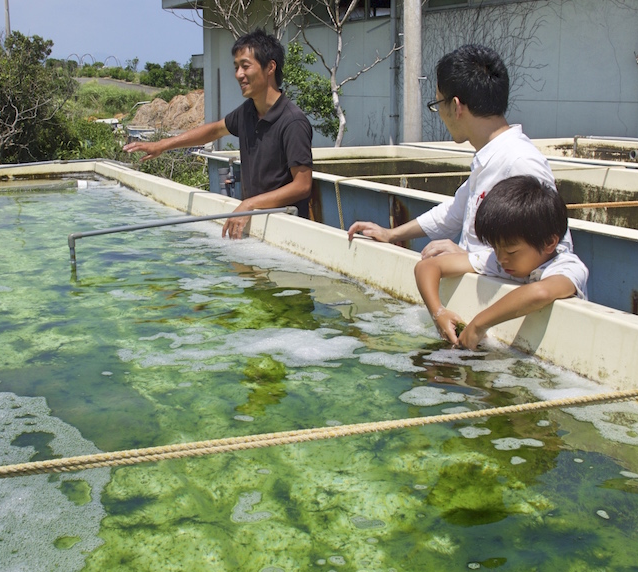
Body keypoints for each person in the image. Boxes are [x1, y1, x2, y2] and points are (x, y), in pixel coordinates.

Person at [347, 44, 570, 259]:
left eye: (438, 104)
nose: (439, 113)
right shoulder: (489, 157)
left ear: (456, 106)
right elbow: (454, 212)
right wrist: (391, 234)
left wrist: (470, 258)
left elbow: (556, 248)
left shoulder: (519, 161)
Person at [123, 29, 312, 239]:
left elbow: (302, 186)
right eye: (236, 67)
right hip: (253, 226)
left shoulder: (292, 121)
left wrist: (249, 204)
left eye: (245, 66)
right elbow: (214, 130)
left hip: (286, 231)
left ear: (270, 67)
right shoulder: (248, 111)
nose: (238, 74)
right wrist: (162, 145)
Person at [415, 175, 588, 349]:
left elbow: (541, 293)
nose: (501, 258)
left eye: (511, 251)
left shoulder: (568, 267)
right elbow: (428, 266)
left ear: (549, 243)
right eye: (495, 248)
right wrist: (438, 312)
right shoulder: (498, 260)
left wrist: (479, 324)